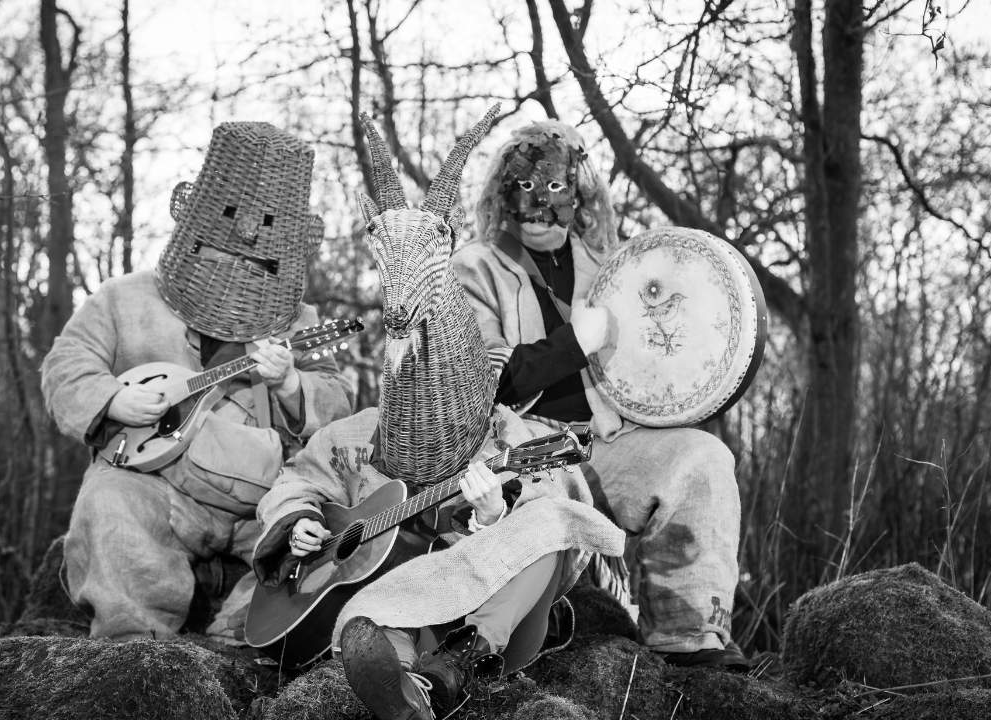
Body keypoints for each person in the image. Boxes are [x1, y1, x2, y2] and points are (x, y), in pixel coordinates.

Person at [251, 107, 624, 720]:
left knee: (551, 519)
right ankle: (407, 692)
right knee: (378, 618)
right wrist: (298, 524)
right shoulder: (355, 437)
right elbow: (296, 480)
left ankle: (455, 668)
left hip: (491, 619)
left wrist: (491, 515)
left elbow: (555, 524)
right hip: (394, 607)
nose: (430, 398)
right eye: (415, 383)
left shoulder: (509, 437)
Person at [41, 122, 354, 641]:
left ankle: (239, 642)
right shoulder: (124, 298)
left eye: (258, 262)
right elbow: (65, 364)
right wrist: (112, 398)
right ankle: (134, 651)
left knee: (319, 546)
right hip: (152, 485)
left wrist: (290, 384)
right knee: (108, 503)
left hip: (264, 499)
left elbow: (340, 407)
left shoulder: (299, 322)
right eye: (221, 252)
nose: (237, 266)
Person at [451, 120, 747, 670]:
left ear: (578, 192)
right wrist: (574, 343)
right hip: (522, 446)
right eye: (524, 186)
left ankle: (688, 640)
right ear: (503, 192)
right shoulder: (473, 267)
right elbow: (484, 379)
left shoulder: (611, 267)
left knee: (702, 458)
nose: (539, 203)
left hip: (605, 441)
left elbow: (650, 363)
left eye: (554, 186)